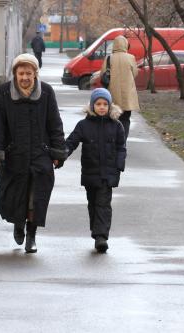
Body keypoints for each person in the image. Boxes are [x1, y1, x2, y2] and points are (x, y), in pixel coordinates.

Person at [0, 53, 66, 253]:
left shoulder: (46, 92)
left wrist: (57, 151)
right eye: (21, 73)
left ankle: (31, 235)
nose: (24, 78)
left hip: (40, 154)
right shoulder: (5, 93)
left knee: (36, 197)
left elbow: (55, 124)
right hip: (14, 155)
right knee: (15, 194)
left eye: (28, 73)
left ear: (35, 74)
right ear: (15, 74)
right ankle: (18, 224)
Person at [65, 88, 126, 253]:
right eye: (98, 104)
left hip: (108, 173)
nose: (101, 107)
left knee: (103, 204)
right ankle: (96, 231)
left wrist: (119, 164)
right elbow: (71, 142)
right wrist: (61, 154)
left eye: (105, 104)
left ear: (110, 106)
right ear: (92, 106)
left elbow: (121, 147)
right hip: (90, 173)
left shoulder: (116, 125)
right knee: (93, 203)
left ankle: (101, 237)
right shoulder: (84, 125)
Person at [100, 35, 139, 141]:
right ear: (126, 45)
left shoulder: (109, 58)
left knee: (112, 118)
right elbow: (135, 73)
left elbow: (102, 74)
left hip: (112, 94)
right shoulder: (131, 57)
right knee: (126, 119)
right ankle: (123, 141)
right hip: (128, 95)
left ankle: (112, 140)